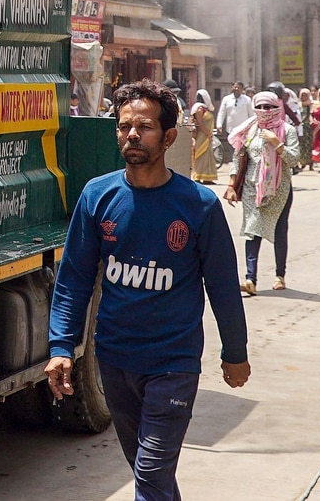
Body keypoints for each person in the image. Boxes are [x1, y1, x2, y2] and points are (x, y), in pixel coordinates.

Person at [47, 79, 249, 501]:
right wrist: (61, 346)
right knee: (148, 473)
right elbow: (74, 279)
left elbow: (223, 287)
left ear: (169, 137)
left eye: (144, 127)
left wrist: (235, 352)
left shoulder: (198, 205)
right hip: (114, 359)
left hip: (173, 363)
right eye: (124, 127)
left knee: (152, 470)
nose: (132, 135)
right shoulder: (97, 196)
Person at [224, 90, 301, 294]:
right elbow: (238, 158)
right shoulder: (249, 129)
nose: (264, 111)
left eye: (268, 107)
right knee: (252, 230)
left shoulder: (287, 130)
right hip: (252, 189)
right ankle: (251, 279)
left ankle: (280, 275)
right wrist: (231, 186)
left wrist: (276, 143)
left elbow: (294, 159)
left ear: (277, 108)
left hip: (279, 189)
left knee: (279, 230)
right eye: (259, 107)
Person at [215, 82, 253, 169]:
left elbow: (251, 114)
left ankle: (242, 166)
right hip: (231, 130)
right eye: (235, 87)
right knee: (233, 149)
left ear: (242, 89)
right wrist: (219, 124)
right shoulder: (226, 99)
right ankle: (235, 166)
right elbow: (222, 112)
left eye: (238, 87)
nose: (236, 89)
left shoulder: (247, 100)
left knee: (243, 149)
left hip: (244, 131)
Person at [188, 89, 218, 184]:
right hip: (202, 136)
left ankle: (207, 177)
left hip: (207, 137)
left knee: (207, 156)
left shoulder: (204, 109)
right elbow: (200, 123)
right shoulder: (199, 109)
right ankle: (198, 176)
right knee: (200, 155)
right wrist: (208, 133)